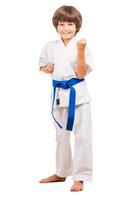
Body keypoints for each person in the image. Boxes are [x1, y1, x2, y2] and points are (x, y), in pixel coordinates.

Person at [38, 5, 95, 192]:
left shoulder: (82, 45)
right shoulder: (50, 46)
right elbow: (42, 66)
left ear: (76, 26)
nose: (65, 28)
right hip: (59, 97)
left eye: (70, 24)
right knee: (61, 136)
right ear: (56, 26)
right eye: (62, 24)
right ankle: (61, 172)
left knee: (83, 137)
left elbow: (80, 73)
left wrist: (80, 50)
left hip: (79, 97)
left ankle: (81, 176)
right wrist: (47, 69)